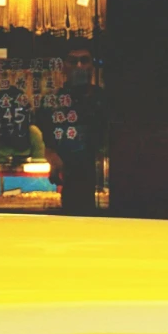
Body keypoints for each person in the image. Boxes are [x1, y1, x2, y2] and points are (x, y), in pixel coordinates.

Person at [44, 46, 104, 215]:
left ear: (92, 66)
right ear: (64, 66)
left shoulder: (102, 99)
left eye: (84, 61)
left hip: (97, 179)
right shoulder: (53, 101)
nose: (79, 66)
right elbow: (48, 143)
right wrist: (53, 158)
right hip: (68, 178)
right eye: (73, 61)